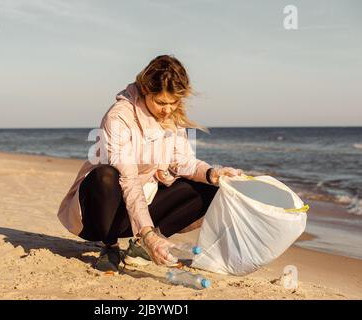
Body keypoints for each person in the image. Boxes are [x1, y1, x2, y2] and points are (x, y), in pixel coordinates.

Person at [57, 55, 244, 274]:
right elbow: (128, 179)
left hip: (138, 208)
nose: (167, 109)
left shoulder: (172, 118)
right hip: (99, 213)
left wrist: (213, 173)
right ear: (146, 91)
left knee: (210, 190)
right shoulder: (119, 117)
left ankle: (141, 249)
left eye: (173, 102)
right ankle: (110, 246)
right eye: (161, 102)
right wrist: (147, 233)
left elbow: (183, 162)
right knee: (105, 175)